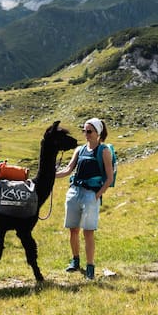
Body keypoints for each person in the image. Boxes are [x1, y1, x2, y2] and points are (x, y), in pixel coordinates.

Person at [55, 117, 113, 279]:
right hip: (74, 192)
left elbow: (109, 178)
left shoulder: (104, 151)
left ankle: (90, 266)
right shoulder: (79, 150)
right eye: (84, 131)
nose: (86, 134)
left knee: (88, 232)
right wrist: (51, 175)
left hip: (90, 194)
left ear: (98, 133)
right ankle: (75, 261)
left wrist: (96, 195)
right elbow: (68, 169)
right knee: (73, 229)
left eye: (89, 131)